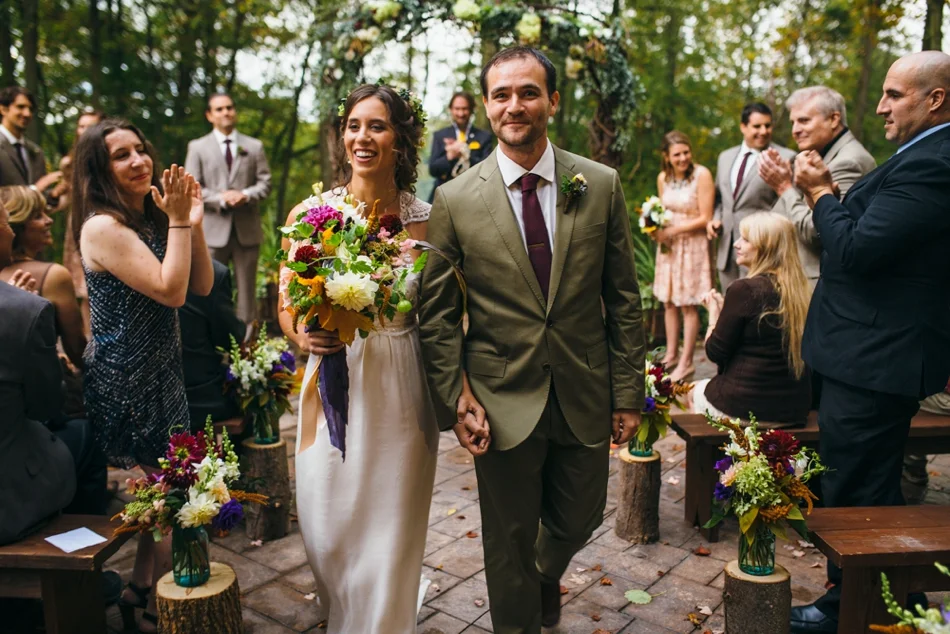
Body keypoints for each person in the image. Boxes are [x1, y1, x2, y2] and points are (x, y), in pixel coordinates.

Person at [420, 47, 646, 633]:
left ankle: (545, 573)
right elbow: (439, 315)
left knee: (581, 516)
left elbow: (624, 297)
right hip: (498, 395)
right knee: (507, 539)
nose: (514, 105)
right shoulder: (456, 199)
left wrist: (628, 392)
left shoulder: (598, 184)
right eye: (501, 95)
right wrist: (455, 399)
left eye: (527, 92)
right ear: (488, 107)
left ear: (552, 100)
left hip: (584, 386)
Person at [789, 51, 950, 634]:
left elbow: (855, 250)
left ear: (935, 99)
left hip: (876, 359)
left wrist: (819, 193)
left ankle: (845, 611)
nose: (879, 106)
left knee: (858, 489)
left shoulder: (937, 162)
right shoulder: (918, 155)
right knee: (864, 482)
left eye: (893, 95)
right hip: (865, 353)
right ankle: (882, 600)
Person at [278, 84, 437, 634]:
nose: (362, 137)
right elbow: (287, 302)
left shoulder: (428, 222)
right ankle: (344, 604)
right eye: (353, 125)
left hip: (401, 374)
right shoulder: (313, 213)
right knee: (326, 516)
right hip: (336, 375)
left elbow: (446, 312)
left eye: (377, 125)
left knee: (391, 518)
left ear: (401, 139)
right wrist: (303, 334)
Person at [74, 118, 213, 633]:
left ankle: (138, 589)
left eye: (141, 149)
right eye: (120, 155)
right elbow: (170, 290)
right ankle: (160, 603)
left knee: (166, 486)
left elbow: (199, 284)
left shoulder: (151, 217)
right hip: (126, 378)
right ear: (98, 169)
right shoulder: (102, 228)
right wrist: (178, 220)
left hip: (162, 368)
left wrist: (190, 221)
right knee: (169, 492)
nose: (138, 161)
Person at [691, 213, 811, 423]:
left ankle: (717, 453)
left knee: (691, 391)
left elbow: (715, 352)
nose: (736, 244)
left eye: (746, 240)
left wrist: (713, 312)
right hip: (794, 408)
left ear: (766, 247)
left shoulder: (745, 290)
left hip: (748, 407)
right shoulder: (801, 291)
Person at [759, 86, 876, 287]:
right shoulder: (820, 155)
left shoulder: (848, 162)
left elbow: (820, 233)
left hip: (821, 283)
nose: (795, 130)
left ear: (834, 119)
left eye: (804, 120)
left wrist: (784, 187)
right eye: (793, 122)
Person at [185, 93, 272, 328]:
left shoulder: (254, 146)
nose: (226, 112)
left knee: (247, 295)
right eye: (219, 109)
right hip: (212, 233)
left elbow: (265, 183)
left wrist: (246, 195)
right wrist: (222, 198)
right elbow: (193, 187)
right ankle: (214, 344)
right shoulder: (197, 147)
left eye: (229, 107)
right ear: (209, 115)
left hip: (247, 232)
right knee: (208, 290)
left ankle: (248, 350)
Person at [707, 103, 795, 288]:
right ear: (743, 127)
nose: (763, 131)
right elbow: (720, 199)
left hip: (761, 251)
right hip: (726, 248)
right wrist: (715, 219)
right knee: (728, 307)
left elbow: (790, 203)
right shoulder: (725, 157)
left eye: (768, 125)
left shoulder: (786, 157)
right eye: (757, 126)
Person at [0, 186, 86, 370]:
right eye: (37, 216)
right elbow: (78, 350)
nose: (49, 220)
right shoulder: (52, 276)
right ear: (17, 226)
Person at [651, 130, 714, 382]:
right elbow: (660, 210)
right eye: (677, 154)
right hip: (669, 248)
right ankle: (672, 355)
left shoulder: (702, 175)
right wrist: (656, 230)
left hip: (692, 245)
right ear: (666, 157)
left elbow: (705, 217)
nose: (683, 158)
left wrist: (674, 230)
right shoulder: (663, 178)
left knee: (688, 303)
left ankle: (687, 362)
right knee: (668, 301)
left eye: (686, 152)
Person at [179, 258, 245, 432]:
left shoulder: (130, 267)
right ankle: (238, 456)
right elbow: (230, 338)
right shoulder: (213, 272)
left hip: (143, 402)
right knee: (249, 399)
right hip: (200, 400)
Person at [59, 109, 105, 337]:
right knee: (83, 289)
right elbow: (66, 197)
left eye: (91, 126)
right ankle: (88, 342)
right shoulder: (69, 162)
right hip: (77, 222)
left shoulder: (107, 158)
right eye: (81, 126)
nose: (85, 131)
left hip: (103, 218)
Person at [427, 91, 494, 202]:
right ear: (451, 110)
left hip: (474, 197)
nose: (461, 113)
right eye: (457, 109)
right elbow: (433, 170)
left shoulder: (484, 136)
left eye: (465, 109)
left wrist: (466, 155)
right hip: (444, 197)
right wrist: (449, 156)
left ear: (472, 109)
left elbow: (488, 169)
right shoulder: (440, 135)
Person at [0, 86, 60, 192]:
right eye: (20, 107)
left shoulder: (36, 152)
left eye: (30, 109)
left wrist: (56, 194)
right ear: (4, 109)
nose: (27, 114)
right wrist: (34, 189)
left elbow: (42, 198)